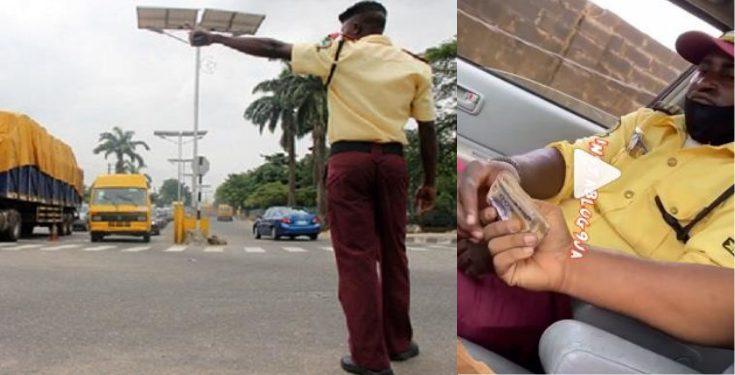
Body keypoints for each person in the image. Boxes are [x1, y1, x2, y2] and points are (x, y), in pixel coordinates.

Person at [457, 30, 733, 368]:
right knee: (468, 170)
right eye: (704, 69)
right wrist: (508, 171)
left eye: (730, 75)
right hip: (529, 242)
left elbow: (705, 300)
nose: (706, 82)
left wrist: (559, 259)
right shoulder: (650, 126)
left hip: (577, 300)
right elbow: (571, 164)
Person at [189, 2, 438, 374]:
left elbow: (274, 48)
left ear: (354, 27)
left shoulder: (337, 53)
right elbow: (427, 128)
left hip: (349, 162)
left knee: (356, 260)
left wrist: (216, 38)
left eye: (344, 27)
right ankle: (399, 343)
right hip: (393, 164)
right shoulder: (415, 65)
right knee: (394, 254)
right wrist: (430, 182)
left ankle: (370, 359)